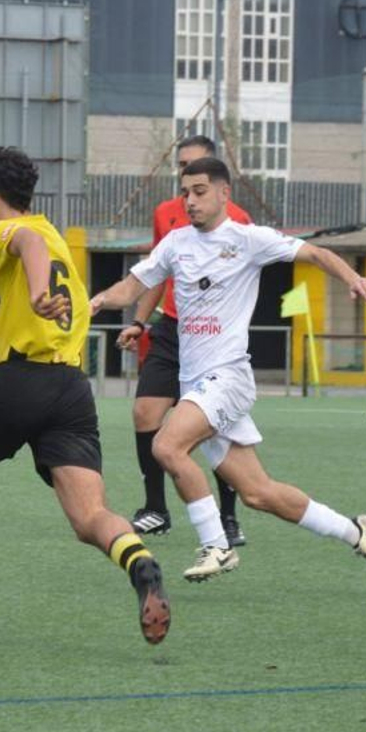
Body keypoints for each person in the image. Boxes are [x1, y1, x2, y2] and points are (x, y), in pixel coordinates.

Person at [89, 157, 366, 586]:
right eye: (185, 192)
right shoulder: (176, 243)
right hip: (197, 383)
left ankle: (217, 544)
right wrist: (97, 301)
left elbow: (317, 252)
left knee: (166, 445)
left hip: (227, 377)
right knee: (258, 493)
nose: (189, 201)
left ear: (223, 193)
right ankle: (356, 532)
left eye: (199, 191)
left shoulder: (248, 239)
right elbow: (132, 287)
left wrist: (352, 278)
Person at [0, 146, 171, 646]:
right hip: (71, 390)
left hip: (19, 383)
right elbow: (34, 246)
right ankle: (141, 565)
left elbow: (23, 242)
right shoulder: (55, 235)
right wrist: (0, 283)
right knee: (89, 517)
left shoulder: (1, 231)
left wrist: (30, 292)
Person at [122, 135, 254, 546]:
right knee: (145, 412)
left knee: (214, 429)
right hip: (171, 331)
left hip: (215, 343)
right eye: (181, 166)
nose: (185, 173)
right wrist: (140, 322)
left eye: (194, 165)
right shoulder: (168, 214)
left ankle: (228, 520)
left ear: (216, 178)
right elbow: (155, 274)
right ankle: (155, 509)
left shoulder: (241, 222)